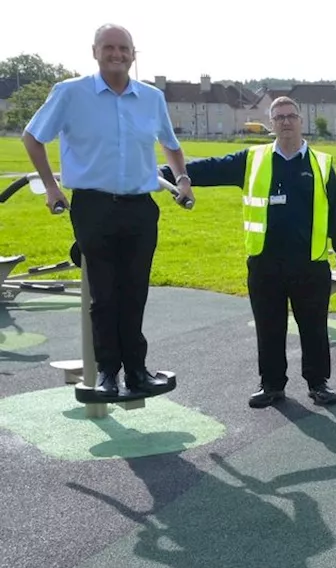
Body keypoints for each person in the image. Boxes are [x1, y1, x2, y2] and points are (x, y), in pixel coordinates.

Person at [21, 24, 194, 396]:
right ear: (95, 52)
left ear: (134, 54)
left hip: (140, 208)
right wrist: (51, 187)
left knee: (134, 292)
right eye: (109, 48)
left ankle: (137, 372)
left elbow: (171, 145)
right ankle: (107, 375)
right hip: (94, 206)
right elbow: (33, 137)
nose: (117, 54)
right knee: (104, 295)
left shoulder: (151, 98)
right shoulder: (70, 93)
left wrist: (182, 179)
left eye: (124, 48)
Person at [159, 96, 336, 408]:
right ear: (271, 124)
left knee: (314, 328)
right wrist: (166, 174)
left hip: (310, 263)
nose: (286, 122)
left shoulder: (321, 164)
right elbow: (209, 170)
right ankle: (272, 385)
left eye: (291, 116)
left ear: (301, 120)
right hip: (265, 263)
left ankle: (319, 384)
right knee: (269, 326)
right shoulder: (253, 160)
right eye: (279, 117)